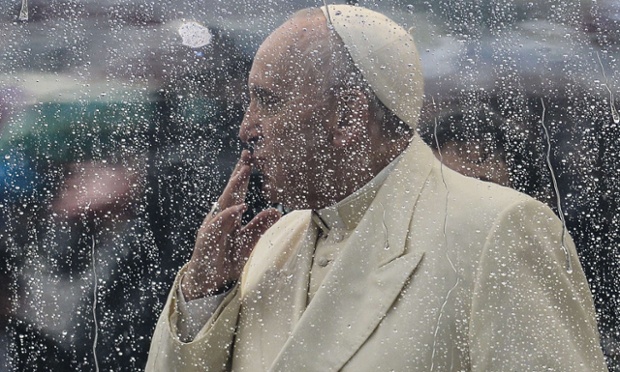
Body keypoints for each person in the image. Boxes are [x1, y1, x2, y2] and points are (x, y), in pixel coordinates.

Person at [146, 5, 607, 371]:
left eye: (268, 101)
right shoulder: (271, 243)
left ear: (347, 116)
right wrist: (203, 292)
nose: (247, 128)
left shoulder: (496, 230)